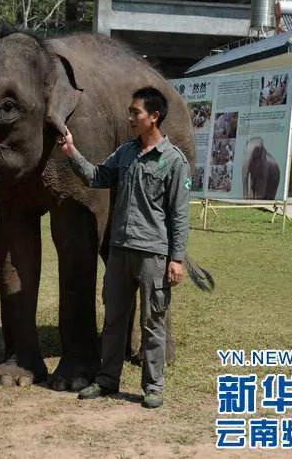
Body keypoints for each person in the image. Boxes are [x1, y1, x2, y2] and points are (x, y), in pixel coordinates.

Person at [59, 86, 190, 409]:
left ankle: (153, 386)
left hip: (153, 255)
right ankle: (107, 379)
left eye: (135, 113)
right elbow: (96, 176)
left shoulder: (173, 162)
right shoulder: (126, 152)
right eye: (130, 112)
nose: (129, 117)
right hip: (120, 251)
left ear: (154, 117)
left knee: (152, 322)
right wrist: (72, 152)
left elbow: (179, 214)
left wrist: (176, 259)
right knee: (114, 319)